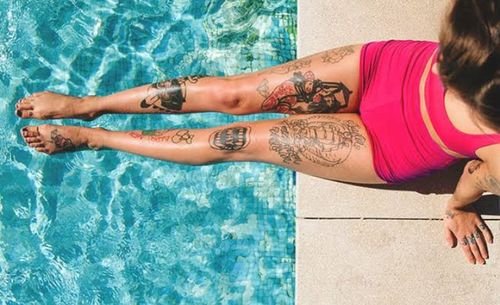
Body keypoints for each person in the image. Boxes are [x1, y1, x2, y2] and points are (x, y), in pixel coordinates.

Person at [16, 0, 499, 265]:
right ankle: (90, 108)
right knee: (233, 94)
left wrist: (457, 207)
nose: (441, 63)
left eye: (450, 65)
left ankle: (96, 138)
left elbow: (478, 174)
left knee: (239, 139)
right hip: (385, 70)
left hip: (389, 146)